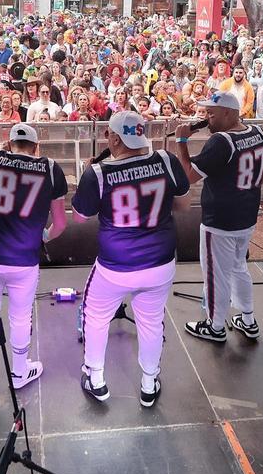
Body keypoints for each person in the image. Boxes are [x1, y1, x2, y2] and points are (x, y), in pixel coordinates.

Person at [72, 111, 190, 408]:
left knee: (96, 317)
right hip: (160, 261)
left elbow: (80, 216)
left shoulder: (97, 173)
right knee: (151, 321)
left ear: (113, 138)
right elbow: (184, 204)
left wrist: (89, 178)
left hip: (116, 265)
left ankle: (95, 378)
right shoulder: (166, 159)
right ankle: (149, 383)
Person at [0, 123, 68, 388]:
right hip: (24, 258)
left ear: (8, 144)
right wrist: (42, 237)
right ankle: (19, 372)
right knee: (21, 316)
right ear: (36, 147)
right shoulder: (51, 168)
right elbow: (61, 224)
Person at [171, 91, 263, 343]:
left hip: (220, 220)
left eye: (211, 114)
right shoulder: (258, 132)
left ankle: (215, 326)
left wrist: (181, 143)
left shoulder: (221, 142)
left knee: (216, 275)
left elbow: (188, 178)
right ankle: (249, 320)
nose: (207, 119)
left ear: (229, 112)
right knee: (238, 268)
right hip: (246, 215)